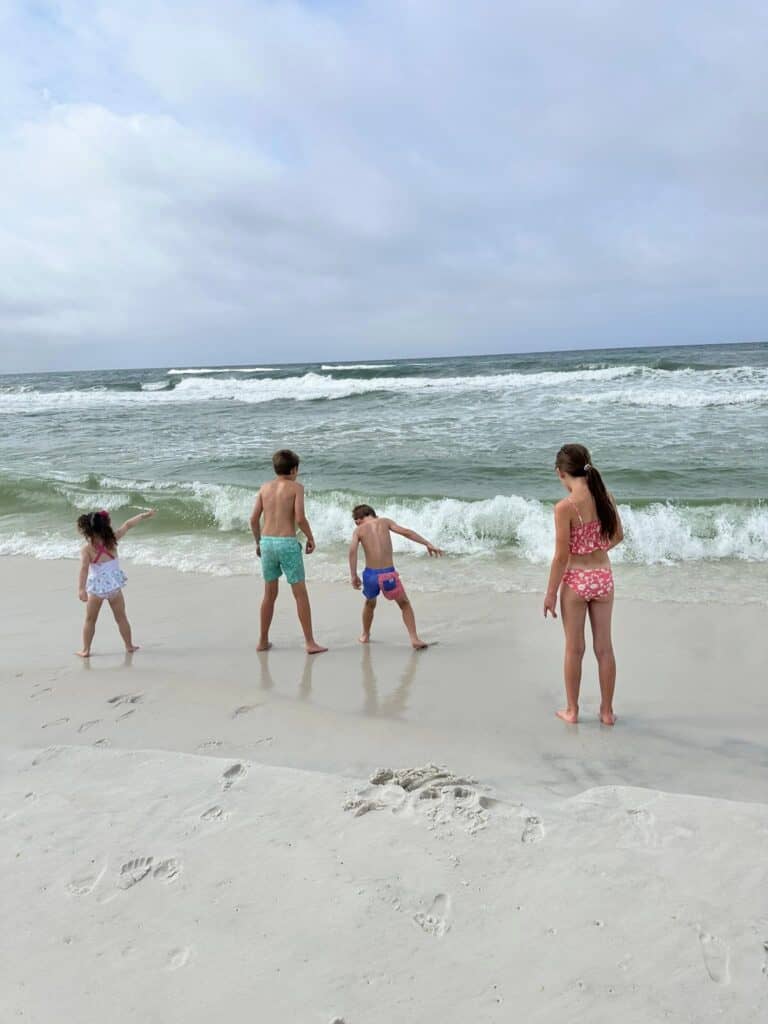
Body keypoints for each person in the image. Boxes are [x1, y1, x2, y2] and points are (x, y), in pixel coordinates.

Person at [543, 444, 624, 725]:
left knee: (574, 649)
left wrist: (550, 593)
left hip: (576, 581)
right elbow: (618, 536)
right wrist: (597, 548)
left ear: (561, 473)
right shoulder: (605, 496)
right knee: (605, 649)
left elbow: (561, 555)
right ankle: (607, 712)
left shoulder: (564, 507)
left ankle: (572, 710)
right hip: (603, 576)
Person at [250, 449, 327, 654]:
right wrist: (310, 537)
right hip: (287, 544)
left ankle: (263, 640)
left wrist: (258, 542)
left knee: (269, 594)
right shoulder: (296, 488)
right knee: (300, 594)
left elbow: (253, 519)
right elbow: (300, 518)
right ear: (294, 469)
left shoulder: (264, 488)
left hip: (267, 543)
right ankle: (310, 642)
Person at [348, 504, 443, 649]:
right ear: (373, 514)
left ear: (358, 519)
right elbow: (406, 532)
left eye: (356, 521)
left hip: (370, 575)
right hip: (388, 574)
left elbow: (352, 551)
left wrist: (353, 575)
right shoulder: (385, 522)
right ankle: (414, 638)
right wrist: (427, 543)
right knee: (404, 604)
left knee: (370, 603)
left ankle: (365, 635)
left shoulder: (358, 530)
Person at [75, 507, 156, 657]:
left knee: (90, 620)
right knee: (121, 617)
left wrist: (81, 589)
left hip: (96, 589)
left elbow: (84, 569)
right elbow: (127, 524)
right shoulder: (112, 540)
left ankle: (85, 650)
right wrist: (144, 515)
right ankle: (129, 645)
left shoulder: (86, 549)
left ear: (87, 530)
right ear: (105, 526)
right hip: (113, 586)